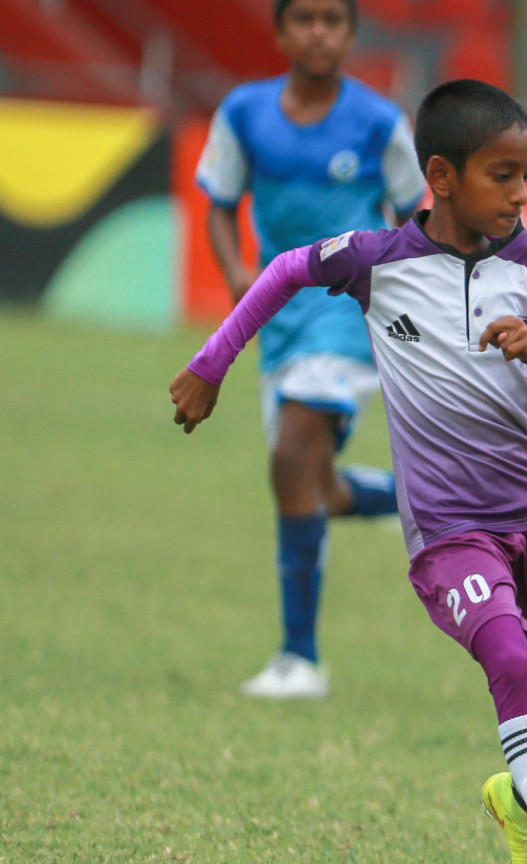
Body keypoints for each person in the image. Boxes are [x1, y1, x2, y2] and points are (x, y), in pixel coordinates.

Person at [170, 80, 527, 864]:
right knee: (516, 669)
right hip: (450, 534)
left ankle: (520, 797)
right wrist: (212, 364)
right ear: (441, 177)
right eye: (505, 175)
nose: (523, 195)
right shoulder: (379, 261)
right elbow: (283, 271)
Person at [195, 0, 425, 699]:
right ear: (280, 31)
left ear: (352, 34)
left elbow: (420, 217)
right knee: (311, 485)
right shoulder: (243, 113)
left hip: (346, 313)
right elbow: (219, 203)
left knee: (293, 452)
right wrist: (237, 270)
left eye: (333, 19)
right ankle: (422, 503)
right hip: (279, 316)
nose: (319, 32)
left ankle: (301, 660)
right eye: (305, 19)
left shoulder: (382, 123)